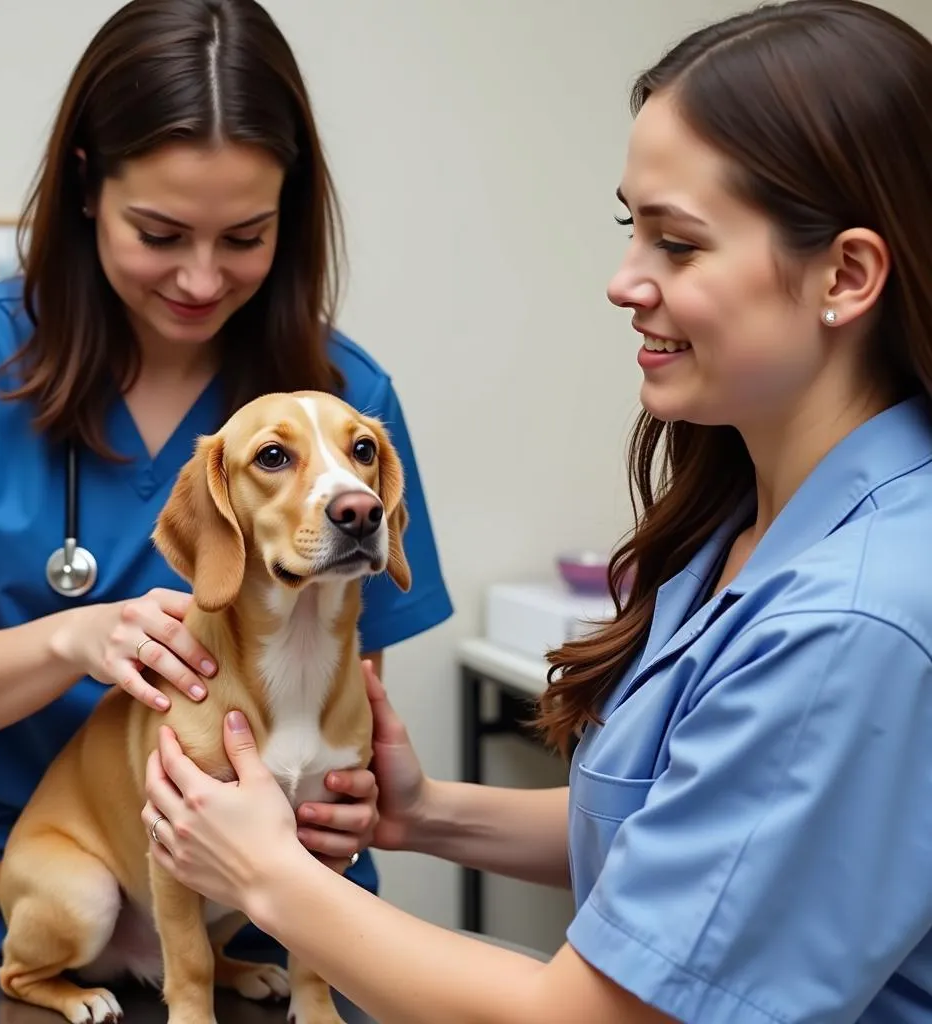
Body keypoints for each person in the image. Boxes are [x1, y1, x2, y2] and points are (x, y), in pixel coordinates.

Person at [141, 1, 932, 1021]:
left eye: (677, 245)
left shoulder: (851, 619)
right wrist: (424, 813)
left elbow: (595, 1015)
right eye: (628, 227)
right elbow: (697, 841)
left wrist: (266, 878)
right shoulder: (749, 527)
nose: (621, 282)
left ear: (847, 274)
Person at [0, 0, 453, 965]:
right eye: (159, 233)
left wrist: (353, 800)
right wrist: (74, 637)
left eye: (244, 237)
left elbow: (347, 684)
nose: (201, 279)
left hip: (269, 912)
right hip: (39, 886)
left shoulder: (347, 398)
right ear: (87, 186)